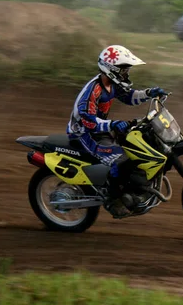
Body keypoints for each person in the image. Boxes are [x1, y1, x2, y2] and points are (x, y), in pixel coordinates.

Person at [66, 44, 167, 216]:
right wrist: (113, 124)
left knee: (136, 146)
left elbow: (129, 97)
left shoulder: (111, 84)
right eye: (124, 70)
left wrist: (149, 93)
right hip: (84, 133)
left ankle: (134, 189)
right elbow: (88, 122)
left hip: (100, 129)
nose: (126, 74)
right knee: (120, 158)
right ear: (111, 69)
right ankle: (113, 200)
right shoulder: (93, 91)